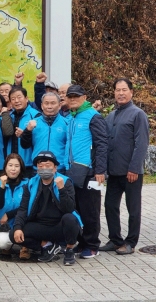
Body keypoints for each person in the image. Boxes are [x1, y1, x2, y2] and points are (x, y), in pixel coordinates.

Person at [101, 78, 150, 255]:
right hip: (114, 172)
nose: (120, 93)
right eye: (117, 90)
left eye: (124, 90)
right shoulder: (111, 115)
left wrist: (134, 168)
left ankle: (130, 242)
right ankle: (115, 239)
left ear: (131, 92)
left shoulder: (138, 114)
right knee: (110, 206)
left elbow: (141, 144)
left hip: (131, 172)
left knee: (133, 209)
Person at [10, 151, 82, 266]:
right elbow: (23, 209)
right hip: (40, 225)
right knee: (14, 234)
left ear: (55, 168)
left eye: (48, 166)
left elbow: (69, 208)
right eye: (40, 166)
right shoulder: (31, 184)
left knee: (70, 219)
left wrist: (62, 190)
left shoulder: (65, 182)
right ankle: (47, 246)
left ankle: (69, 250)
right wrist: (18, 227)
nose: (44, 168)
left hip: (60, 226)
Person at [66, 84, 108, 259]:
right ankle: (82, 242)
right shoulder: (72, 116)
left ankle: (92, 245)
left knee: (90, 209)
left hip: (90, 171)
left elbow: (102, 144)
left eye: (76, 96)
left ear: (84, 97)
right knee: (77, 209)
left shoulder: (93, 117)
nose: (73, 99)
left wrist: (100, 170)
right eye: (70, 96)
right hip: (74, 170)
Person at [20, 92, 69, 174]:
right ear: (42, 106)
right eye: (46, 103)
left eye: (53, 103)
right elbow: (24, 145)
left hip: (59, 169)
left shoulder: (67, 123)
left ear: (59, 105)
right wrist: (27, 131)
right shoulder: (33, 123)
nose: (49, 106)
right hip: (38, 168)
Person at [0, 154, 28, 256]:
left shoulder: (27, 184)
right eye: (10, 165)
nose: (13, 169)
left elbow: (28, 206)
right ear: (5, 167)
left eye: (16, 166)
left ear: (21, 168)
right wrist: (2, 187)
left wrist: (9, 214)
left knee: (31, 232)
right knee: (2, 243)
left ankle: (26, 247)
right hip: (4, 225)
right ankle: (10, 245)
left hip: (23, 224)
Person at [7, 86, 41, 177]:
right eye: (13, 99)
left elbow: (39, 140)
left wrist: (24, 134)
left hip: (28, 164)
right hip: (11, 165)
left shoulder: (35, 115)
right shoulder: (10, 117)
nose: (16, 101)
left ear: (26, 98)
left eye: (19, 97)